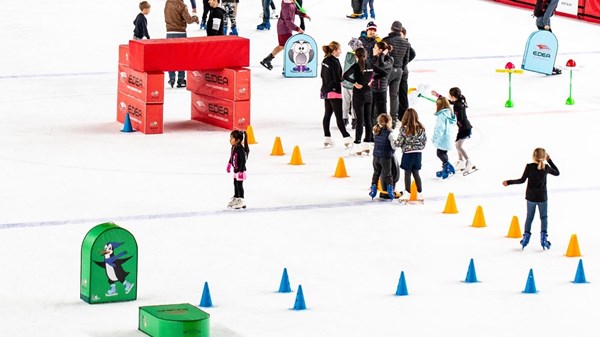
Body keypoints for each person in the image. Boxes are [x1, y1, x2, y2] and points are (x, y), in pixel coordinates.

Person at [502, 148, 559, 249]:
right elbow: (557, 173)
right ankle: (544, 238)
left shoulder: (529, 167)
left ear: (533, 156)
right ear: (544, 157)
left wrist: (509, 182)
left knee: (529, 217)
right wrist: (549, 160)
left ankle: (526, 238)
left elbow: (522, 180)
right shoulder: (545, 167)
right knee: (544, 217)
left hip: (531, 197)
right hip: (542, 197)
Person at [260, 0, 310, 71]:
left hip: (285, 28)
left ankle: (267, 60)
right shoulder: (287, 6)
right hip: (284, 29)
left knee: (282, 46)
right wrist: (298, 29)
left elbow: (294, 10)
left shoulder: (290, 3)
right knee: (289, 47)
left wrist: (303, 14)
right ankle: (287, 66)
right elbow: (288, 22)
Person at [432, 87, 473, 172]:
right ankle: (461, 162)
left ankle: (469, 162)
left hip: (465, 128)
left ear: (453, 97)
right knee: (457, 145)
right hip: (463, 128)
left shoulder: (458, 105)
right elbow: (448, 102)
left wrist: (452, 116)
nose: (449, 97)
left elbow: (460, 118)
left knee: (458, 146)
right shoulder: (457, 102)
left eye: (450, 96)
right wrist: (438, 95)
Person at [320, 41, 353, 148]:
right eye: (339, 50)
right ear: (334, 51)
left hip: (325, 90)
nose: (340, 52)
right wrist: (345, 77)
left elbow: (322, 75)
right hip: (334, 91)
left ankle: (327, 137)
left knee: (327, 115)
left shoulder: (325, 60)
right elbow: (338, 78)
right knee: (339, 116)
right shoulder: (334, 61)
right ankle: (346, 137)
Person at [343, 47, 374, 155]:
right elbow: (383, 73)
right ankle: (367, 143)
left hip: (359, 95)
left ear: (356, 56)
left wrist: (355, 82)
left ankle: (357, 144)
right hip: (369, 94)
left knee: (360, 120)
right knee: (368, 119)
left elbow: (345, 75)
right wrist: (371, 81)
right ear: (365, 55)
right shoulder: (370, 65)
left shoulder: (356, 66)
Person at [381, 21, 410, 127]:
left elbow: (381, 57)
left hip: (387, 70)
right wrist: (401, 68)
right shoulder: (406, 43)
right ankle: (393, 119)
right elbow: (406, 59)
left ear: (391, 28)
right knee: (394, 96)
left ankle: (383, 119)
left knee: (382, 93)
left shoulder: (386, 40)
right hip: (399, 71)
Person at [164, 0, 199, 88]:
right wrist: (195, 18)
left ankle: (171, 78)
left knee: (171, 57)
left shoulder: (168, 3)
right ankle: (181, 79)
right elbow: (189, 20)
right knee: (181, 57)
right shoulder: (182, 5)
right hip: (180, 33)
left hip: (169, 33)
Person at [396, 108, 426, 202]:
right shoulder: (421, 128)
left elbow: (399, 142)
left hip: (408, 154)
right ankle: (420, 193)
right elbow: (424, 141)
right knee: (416, 173)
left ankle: (407, 193)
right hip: (418, 153)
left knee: (407, 173)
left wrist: (394, 143)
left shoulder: (404, 129)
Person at [369, 114, 396, 200]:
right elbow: (393, 146)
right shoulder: (390, 133)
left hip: (376, 156)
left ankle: (373, 189)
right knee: (388, 174)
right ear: (388, 122)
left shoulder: (376, 130)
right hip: (385, 157)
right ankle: (390, 191)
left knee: (376, 173)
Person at [431, 95, 456, 179]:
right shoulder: (449, 113)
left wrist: (435, 138)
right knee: (444, 153)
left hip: (443, 138)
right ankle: (445, 169)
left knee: (439, 153)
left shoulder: (441, 115)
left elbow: (440, 128)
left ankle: (448, 166)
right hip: (448, 137)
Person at [534, 0, 561, 74]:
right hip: (543, 23)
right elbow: (548, 12)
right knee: (550, 46)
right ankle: (548, 67)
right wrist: (546, 24)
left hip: (538, 21)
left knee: (544, 46)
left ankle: (543, 65)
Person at [370, 41, 393, 128]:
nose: (373, 49)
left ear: (380, 50)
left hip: (381, 90)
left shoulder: (390, 59)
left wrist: (382, 55)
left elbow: (380, 65)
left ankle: (385, 130)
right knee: (371, 113)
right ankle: (373, 131)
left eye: (375, 48)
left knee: (382, 113)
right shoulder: (373, 58)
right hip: (372, 89)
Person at [342, 38, 362, 130]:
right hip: (354, 84)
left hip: (345, 83)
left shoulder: (347, 55)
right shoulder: (358, 57)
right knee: (354, 103)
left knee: (345, 102)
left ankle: (344, 119)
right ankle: (354, 120)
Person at [226, 130, 250, 209]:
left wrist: (241, 171)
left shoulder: (240, 149)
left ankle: (241, 200)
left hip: (240, 171)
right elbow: (232, 156)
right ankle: (236, 197)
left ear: (238, 140)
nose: (230, 140)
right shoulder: (233, 147)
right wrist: (229, 164)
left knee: (239, 185)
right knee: (235, 184)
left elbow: (243, 161)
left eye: (232, 138)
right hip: (235, 171)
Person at [398, 26, 416, 121]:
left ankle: (404, 115)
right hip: (398, 71)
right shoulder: (399, 42)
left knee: (402, 93)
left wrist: (403, 63)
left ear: (404, 35)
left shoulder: (406, 44)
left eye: (400, 34)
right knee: (397, 94)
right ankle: (400, 113)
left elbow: (413, 54)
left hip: (403, 72)